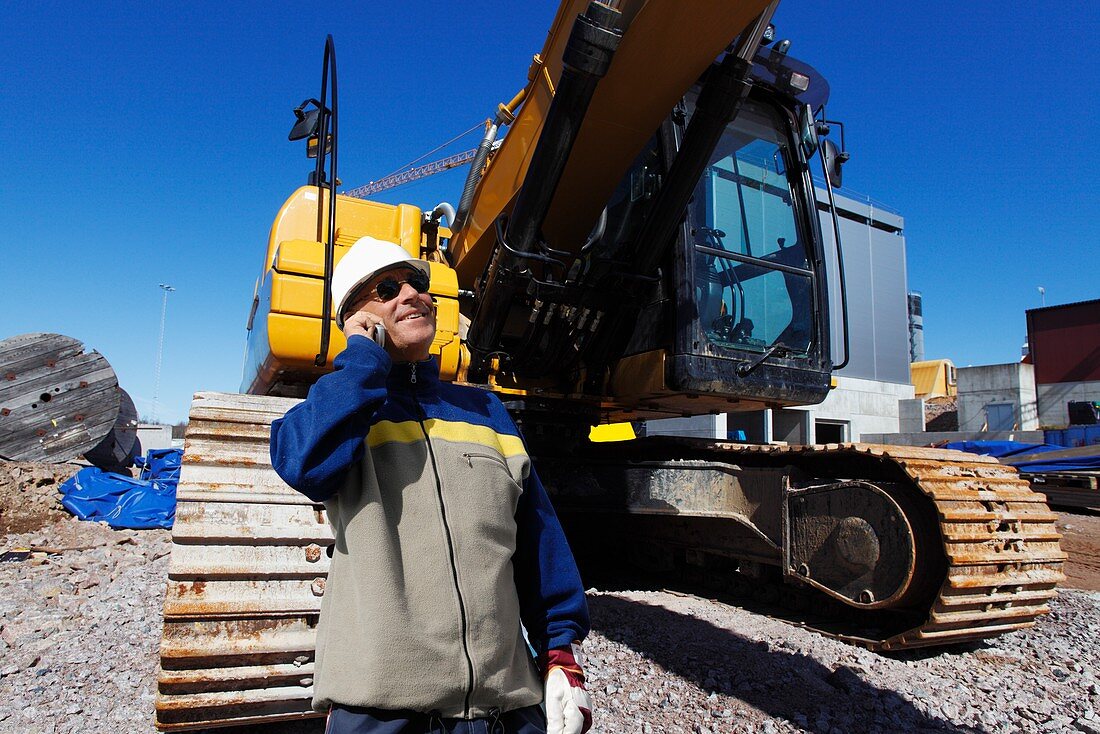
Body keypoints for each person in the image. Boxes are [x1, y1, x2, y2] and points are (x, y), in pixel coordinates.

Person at [269, 235, 593, 734]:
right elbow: (306, 465)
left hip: (503, 709)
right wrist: (362, 362)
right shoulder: (341, 412)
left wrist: (559, 653)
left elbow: (537, 539)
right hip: (381, 711)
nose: (413, 295)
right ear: (356, 319)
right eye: (387, 288)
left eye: (418, 284)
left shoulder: (487, 411)